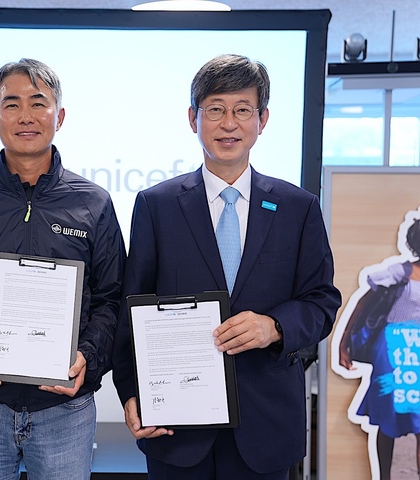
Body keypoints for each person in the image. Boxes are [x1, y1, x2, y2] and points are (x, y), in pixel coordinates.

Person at [111, 54, 342, 480]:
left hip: (267, 428)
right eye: (215, 109)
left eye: (242, 110)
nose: (229, 124)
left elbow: (322, 301)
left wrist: (274, 325)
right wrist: (130, 393)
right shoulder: (156, 205)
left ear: (263, 119)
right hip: (176, 428)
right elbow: (131, 309)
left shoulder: (298, 208)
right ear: (193, 118)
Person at [0, 58, 126, 480]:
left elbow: (112, 298)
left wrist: (87, 357)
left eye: (39, 103)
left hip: (64, 409)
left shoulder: (95, 203)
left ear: (60, 116)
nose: (26, 116)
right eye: (11, 104)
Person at [338, 218, 420, 480]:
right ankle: (383, 476)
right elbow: (363, 302)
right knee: (387, 416)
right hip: (392, 349)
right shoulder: (400, 272)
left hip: (418, 351)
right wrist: (343, 343)